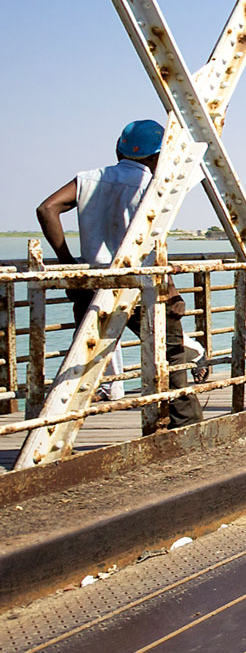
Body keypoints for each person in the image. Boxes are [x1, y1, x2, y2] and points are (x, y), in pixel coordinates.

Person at [35, 119, 203, 426]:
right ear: (158, 155)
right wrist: (172, 290)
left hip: (93, 283)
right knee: (172, 354)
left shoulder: (90, 179)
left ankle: (55, 425)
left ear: (118, 149)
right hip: (140, 285)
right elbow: (153, 245)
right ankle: (186, 424)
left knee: (83, 361)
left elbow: (47, 209)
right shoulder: (154, 187)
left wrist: (69, 263)